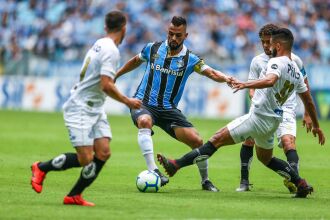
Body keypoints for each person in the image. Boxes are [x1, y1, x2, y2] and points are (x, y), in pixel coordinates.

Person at [157, 28, 325, 198]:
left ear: (279, 45)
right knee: (266, 159)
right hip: (273, 120)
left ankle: (175, 165)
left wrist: (246, 84)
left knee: (215, 140)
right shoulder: (296, 70)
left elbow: (270, 80)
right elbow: (308, 100)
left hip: (258, 118)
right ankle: (300, 183)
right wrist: (317, 126)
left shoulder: (276, 62)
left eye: (272, 44)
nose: (269, 47)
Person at [30, 11, 142, 206]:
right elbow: (106, 85)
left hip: (95, 108)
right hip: (80, 107)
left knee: (103, 152)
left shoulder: (101, 43)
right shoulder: (111, 51)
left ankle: (74, 195)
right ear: (124, 28)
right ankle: (41, 167)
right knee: (86, 158)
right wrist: (127, 101)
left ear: (106, 27)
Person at [114, 16, 233, 192]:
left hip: (168, 109)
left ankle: (205, 181)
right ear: (167, 32)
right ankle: (154, 171)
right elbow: (135, 61)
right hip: (144, 102)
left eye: (178, 35)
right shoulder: (153, 48)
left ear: (186, 35)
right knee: (144, 122)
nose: (173, 38)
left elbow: (211, 72)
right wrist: (116, 75)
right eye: (171, 34)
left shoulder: (190, 59)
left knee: (197, 141)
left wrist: (226, 78)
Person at [236, 24, 313, 193]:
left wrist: (307, 113)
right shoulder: (257, 61)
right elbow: (252, 87)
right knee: (248, 139)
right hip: (263, 108)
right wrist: (254, 97)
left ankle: (295, 181)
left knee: (288, 143)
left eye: (267, 41)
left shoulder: (295, 60)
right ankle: (244, 182)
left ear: (276, 42)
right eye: (262, 42)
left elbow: (305, 85)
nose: (265, 45)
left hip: (286, 108)